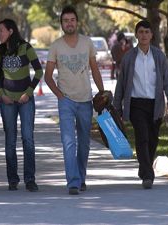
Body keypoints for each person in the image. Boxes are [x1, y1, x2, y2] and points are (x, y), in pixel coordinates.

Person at [44, 5, 104, 195]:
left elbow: (94, 69)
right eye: (65, 20)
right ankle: (73, 182)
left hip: (86, 99)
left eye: (72, 20)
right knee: (68, 141)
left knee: (84, 142)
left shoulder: (87, 43)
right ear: (61, 24)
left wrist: (102, 92)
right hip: (66, 101)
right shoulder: (56, 45)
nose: (69, 23)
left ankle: (81, 178)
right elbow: (47, 76)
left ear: (77, 22)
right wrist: (59, 95)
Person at [113, 20, 168, 189]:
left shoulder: (158, 56)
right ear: (136, 35)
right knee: (142, 137)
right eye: (141, 32)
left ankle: (144, 168)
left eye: (147, 32)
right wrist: (116, 107)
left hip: (155, 104)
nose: (144, 35)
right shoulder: (129, 58)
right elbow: (121, 84)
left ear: (151, 35)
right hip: (136, 104)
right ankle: (148, 175)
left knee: (153, 139)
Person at [0, 18, 43, 192]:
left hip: (25, 100)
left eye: (1, 30)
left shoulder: (26, 47)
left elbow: (39, 71)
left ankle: (30, 179)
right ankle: (12, 179)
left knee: (28, 139)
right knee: (10, 140)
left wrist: (28, 93)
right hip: (7, 101)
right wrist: (2, 95)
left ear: (11, 31)